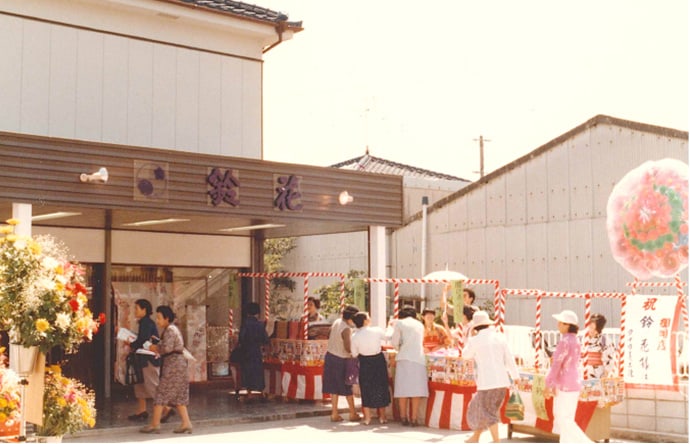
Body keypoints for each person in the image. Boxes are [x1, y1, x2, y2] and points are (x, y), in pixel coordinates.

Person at [462, 310, 520, 443]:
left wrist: (470, 338)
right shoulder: (500, 337)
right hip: (502, 381)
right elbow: (509, 358)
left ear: (475, 326)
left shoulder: (475, 340)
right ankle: (476, 437)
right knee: (487, 410)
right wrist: (515, 375)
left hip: (486, 382)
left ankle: (495, 440)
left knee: (485, 411)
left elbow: (465, 355)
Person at [140, 305, 193, 434]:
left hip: (173, 366)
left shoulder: (170, 330)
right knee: (179, 396)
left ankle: (155, 424)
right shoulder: (172, 329)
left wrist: (154, 348)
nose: (157, 321)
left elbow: (167, 348)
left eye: (159, 318)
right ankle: (186, 423)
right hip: (178, 365)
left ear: (167, 318)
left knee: (161, 394)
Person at [545, 310, 592, 443]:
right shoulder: (576, 341)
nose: (558, 325)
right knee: (567, 419)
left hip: (564, 384)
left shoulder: (564, 342)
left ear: (567, 325)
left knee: (563, 420)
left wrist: (548, 384)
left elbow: (556, 365)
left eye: (560, 322)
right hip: (574, 383)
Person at [322, 304, 361, 423]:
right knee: (347, 386)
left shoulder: (337, 322)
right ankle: (353, 413)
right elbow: (348, 347)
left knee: (334, 387)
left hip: (330, 356)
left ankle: (334, 413)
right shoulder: (346, 328)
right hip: (341, 359)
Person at [350, 311, 391, 425]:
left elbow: (354, 353)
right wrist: (391, 327)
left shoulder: (354, 336)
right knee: (381, 386)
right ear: (365, 320)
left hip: (364, 361)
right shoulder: (376, 330)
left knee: (366, 388)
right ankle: (382, 416)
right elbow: (388, 337)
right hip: (378, 360)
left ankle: (367, 418)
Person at [390, 305, 428, 427]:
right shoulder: (420, 325)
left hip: (404, 358)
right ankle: (414, 418)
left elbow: (394, 342)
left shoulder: (399, 323)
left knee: (403, 390)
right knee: (415, 390)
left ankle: (403, 417)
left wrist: (399, 347)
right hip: (418, 359)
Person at [239, 302, 270, 403]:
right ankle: (261, 392)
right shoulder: (260, 325)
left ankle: (249, 393)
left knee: (247, 371)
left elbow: (241, 338)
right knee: (258, 371)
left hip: (246, 351)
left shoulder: (245, 323)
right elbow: (265, 339)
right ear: (257, 313)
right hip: (256, 350)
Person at [582, 313, 616, 379]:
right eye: (590, 327)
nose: (591, 330)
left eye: (594, 329)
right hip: (584, 372)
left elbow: (609, 360)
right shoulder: (583, 338)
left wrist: (605, 376)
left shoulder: (605, 341)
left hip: (598, 374)